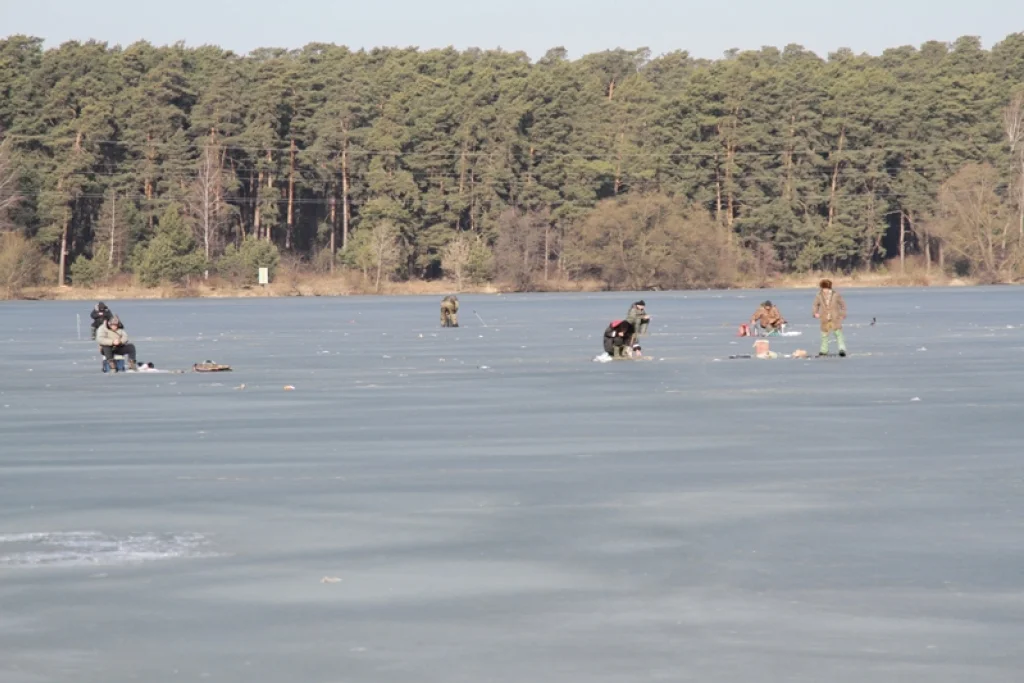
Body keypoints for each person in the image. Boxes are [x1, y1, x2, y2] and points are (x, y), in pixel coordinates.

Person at [812, 279, 847, 357]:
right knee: (824, 335)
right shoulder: (819, 295)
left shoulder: (836, 295)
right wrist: (815, 313)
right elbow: (815, 305)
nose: (825, 290)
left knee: (838, 333)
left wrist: (843, 313)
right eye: (824, 288)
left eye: (827, 288)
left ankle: (842, 349)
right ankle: (824, 350)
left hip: (835, 317)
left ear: (829, 288)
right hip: (824, 318)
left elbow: (842, 304)